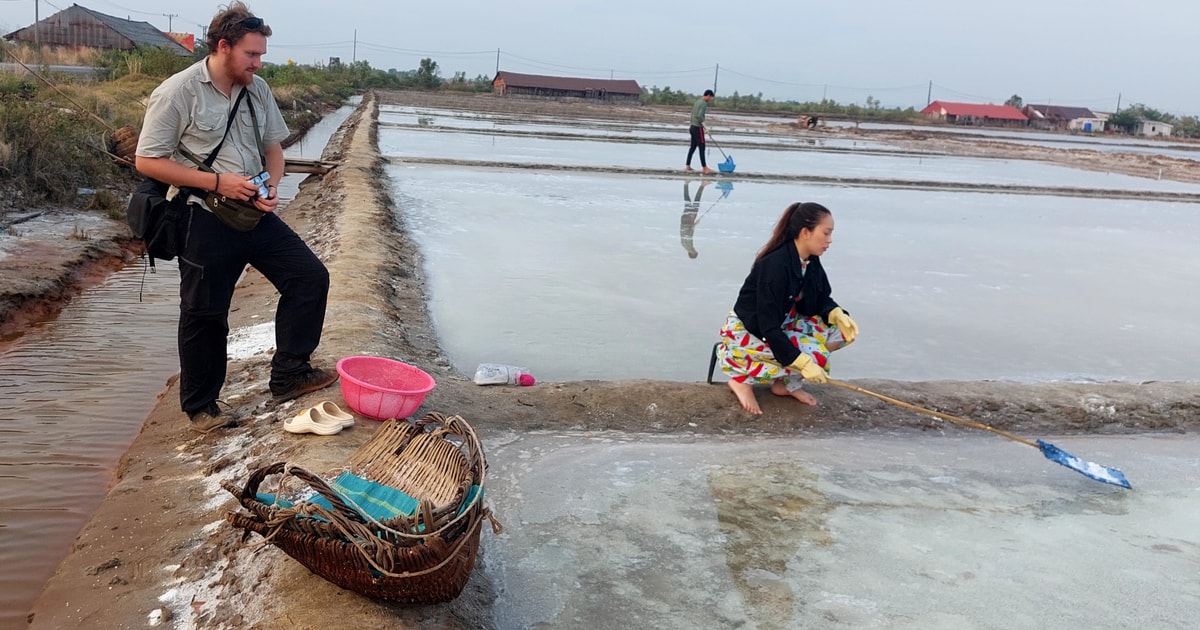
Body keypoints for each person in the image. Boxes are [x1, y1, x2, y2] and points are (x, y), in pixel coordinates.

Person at [135, 2, 336, 433]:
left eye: (261, 54)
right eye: (251, 54)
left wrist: (272, 186)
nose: (258, 63)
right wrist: (216, 183)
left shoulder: (257, 89)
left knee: (309, 278)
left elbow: (274, 149)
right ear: (224, 47)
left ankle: (289, 374)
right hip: (202, 216)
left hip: (253, 211)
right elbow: (147, 161)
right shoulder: (178, 92)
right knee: (205, 314)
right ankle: (202, 407)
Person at [715, 202, 859, 414]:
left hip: (783, 320)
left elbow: (817, 299)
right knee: (813, 355)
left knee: (840, 332)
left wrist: (835, 313)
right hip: (751, 330)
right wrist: (801, 361)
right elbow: (767, 326)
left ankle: (785, 384)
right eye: (826, 233)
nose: (830, 240)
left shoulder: (810, 260)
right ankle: (741, 379)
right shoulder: (775, 265)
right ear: (805, 232)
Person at [685, 89, 715, 174]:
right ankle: (705, 168)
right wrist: (705, 126)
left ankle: (687, 165)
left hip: (692, 127)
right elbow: (699, 116)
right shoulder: (703, 103)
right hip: (698, 128)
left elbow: (693, 114)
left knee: (693, 147)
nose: (710, 100)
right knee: (702, 147)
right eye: (711, 98)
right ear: (708, 95)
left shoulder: (697, 101)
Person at [680, 179, 709, 258]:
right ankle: (686, 184)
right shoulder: (684, 245)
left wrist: (695, 224)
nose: (695, 249)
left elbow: (689, 233)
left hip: (688, 221)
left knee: (696, 203)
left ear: (692, 253)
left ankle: (702, 184)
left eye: (695, 251)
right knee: (687, 202)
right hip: (684, 220)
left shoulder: (688, 246)